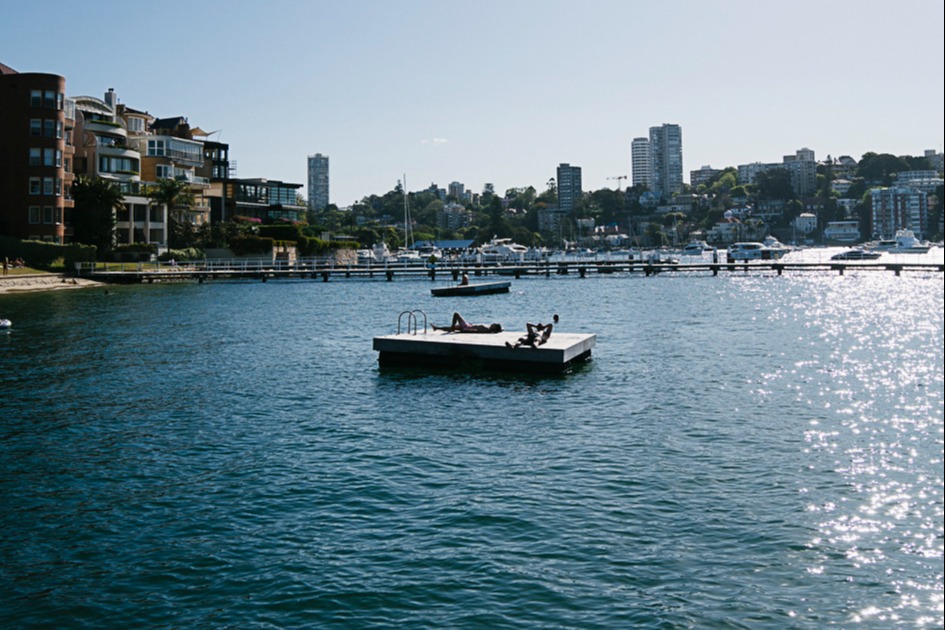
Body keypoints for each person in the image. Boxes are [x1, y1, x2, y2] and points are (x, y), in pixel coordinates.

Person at [432, 312, 502, 333]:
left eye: (495, 325)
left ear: (494, 328)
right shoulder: (489, 328)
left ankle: (451, 328)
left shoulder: (487, 329)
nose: (493, 323)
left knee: (456, 314)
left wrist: (466, 330)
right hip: (468, 325)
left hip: (467, 327)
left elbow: (476, 330)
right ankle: (437, 328)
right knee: (454, 328)